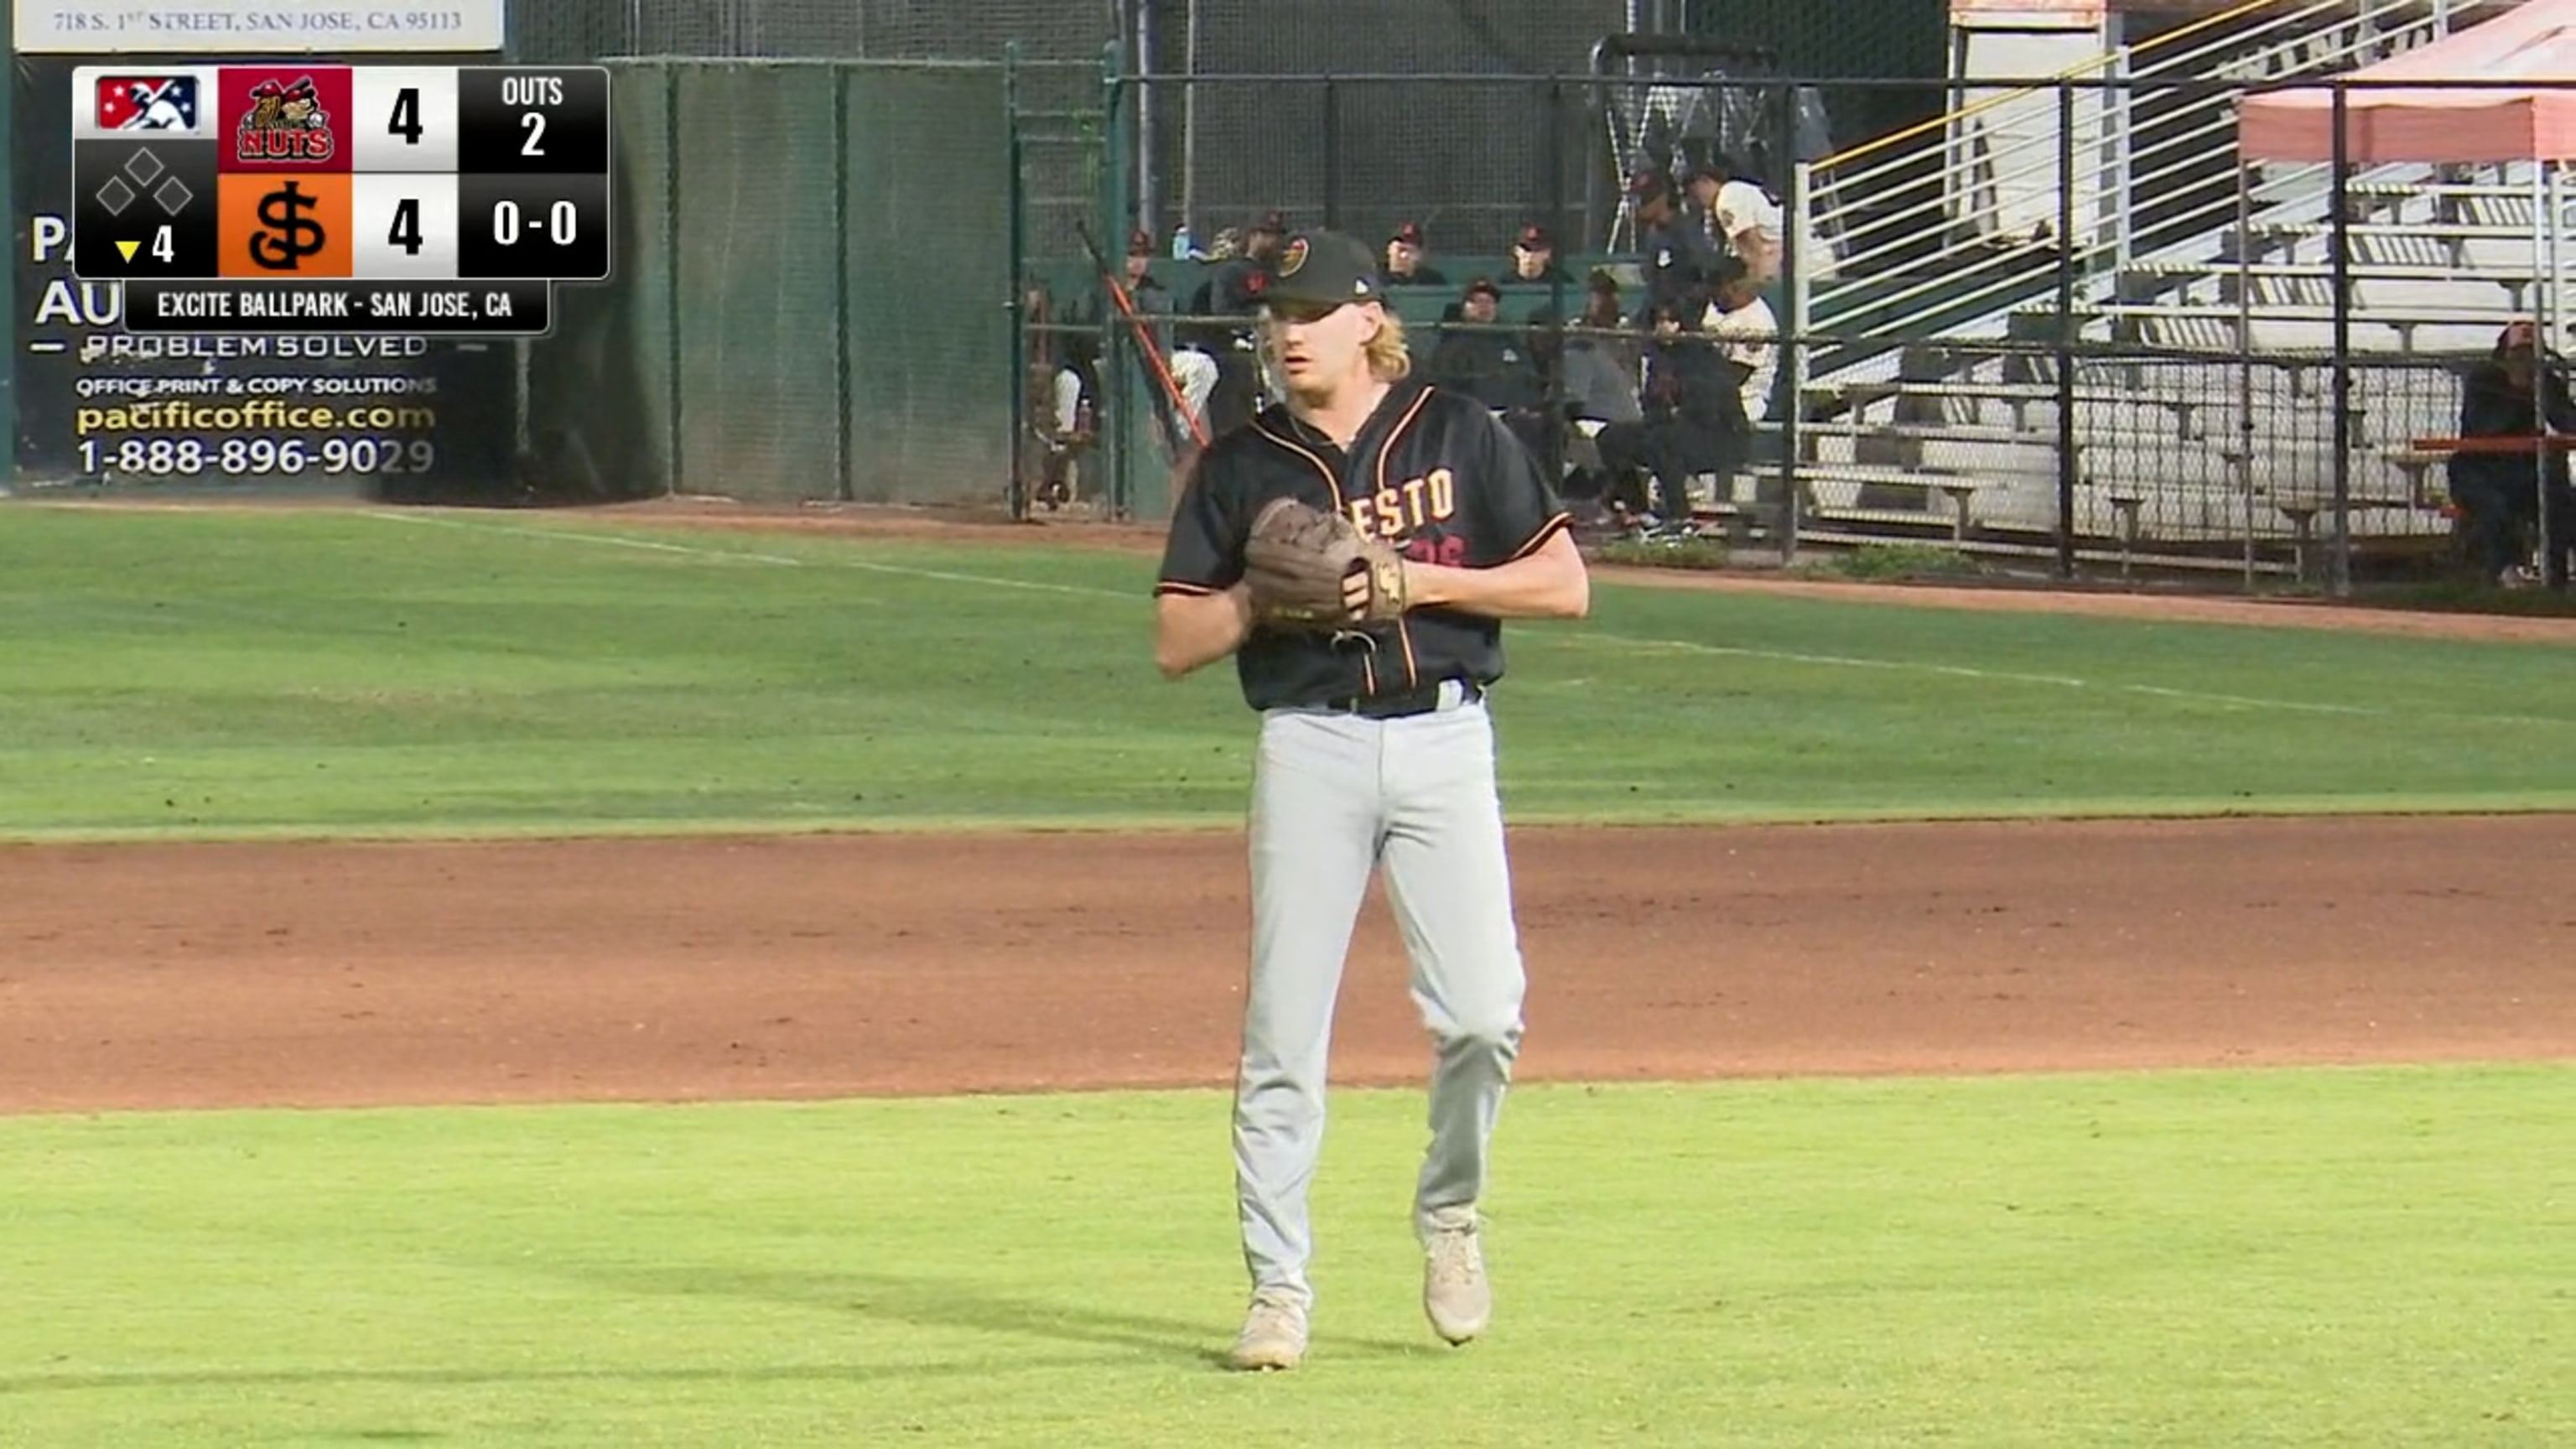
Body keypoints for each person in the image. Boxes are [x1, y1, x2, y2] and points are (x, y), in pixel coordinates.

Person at [1150, 228, 1590, 1374]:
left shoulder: (1457, 430)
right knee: (1283, 1035)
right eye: (1273, 314)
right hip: (1310, 744)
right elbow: (1174, 639)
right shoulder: (1245, 464)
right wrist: (1262, 595)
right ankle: (1277, 1289)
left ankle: (1450, 1216)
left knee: (1486, 1016)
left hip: (1446, 739)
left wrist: (1419, 580)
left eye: (1309, 310)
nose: (1287, 331)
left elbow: (1565, 586)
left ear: (1366, 319)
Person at [2451, 319, 2576, 587]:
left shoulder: (2547, 383)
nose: (2524, 362)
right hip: (2479, 469)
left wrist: (2540, 393)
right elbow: (2485, 428)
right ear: (2503, 355)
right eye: (2517, 354)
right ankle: (2504, 570)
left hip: (2525, 468)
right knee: (2495, 507)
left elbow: (2567, 419)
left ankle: (2556, 576)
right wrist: (2523, 392)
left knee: (2561, 502)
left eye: (2531, 355)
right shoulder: (2484, 381)